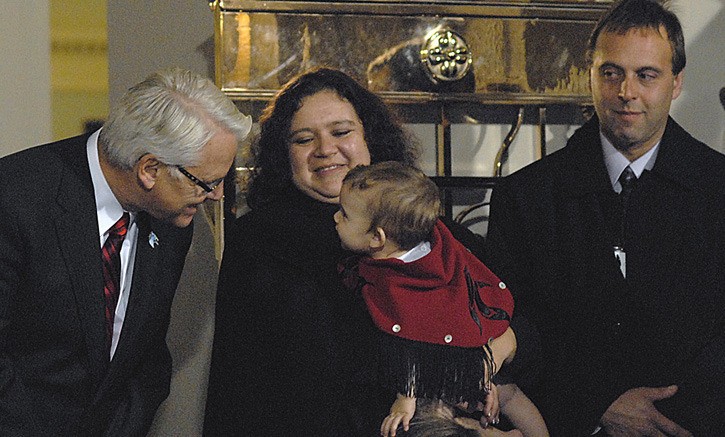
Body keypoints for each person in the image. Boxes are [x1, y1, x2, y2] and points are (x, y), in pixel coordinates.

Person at [203, 67, 495, 436]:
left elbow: (512, 321)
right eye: (303, 139)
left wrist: (489, 359)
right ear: (284, 154)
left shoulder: (431, 231)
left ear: (370, 137)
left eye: (341, 132)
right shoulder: (256, 241)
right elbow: (235, 381)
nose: (325, 150)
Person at [484, 1, 725, 436]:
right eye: (610, 73)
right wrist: (596, 404)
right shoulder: (524, 198)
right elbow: (512, 325)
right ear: (590, 77)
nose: (625, 92)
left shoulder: (720, 189)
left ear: (676, 83)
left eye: (646, 75)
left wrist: (675, 419)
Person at [0, 67, 252, 436]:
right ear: (150, 169)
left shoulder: (173, 220)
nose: (215, 196)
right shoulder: (15, 198)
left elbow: (146, 355)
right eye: (208, 183)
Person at [336, 162, 548, 437]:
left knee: (505, 396)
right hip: (463, 364)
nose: (336, 218)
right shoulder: (436, 244)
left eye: (344, 215)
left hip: (463, 362)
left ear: (378, 238)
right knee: (504, 396)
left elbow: (410, 336)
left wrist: (407, 395)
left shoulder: (402, 279)